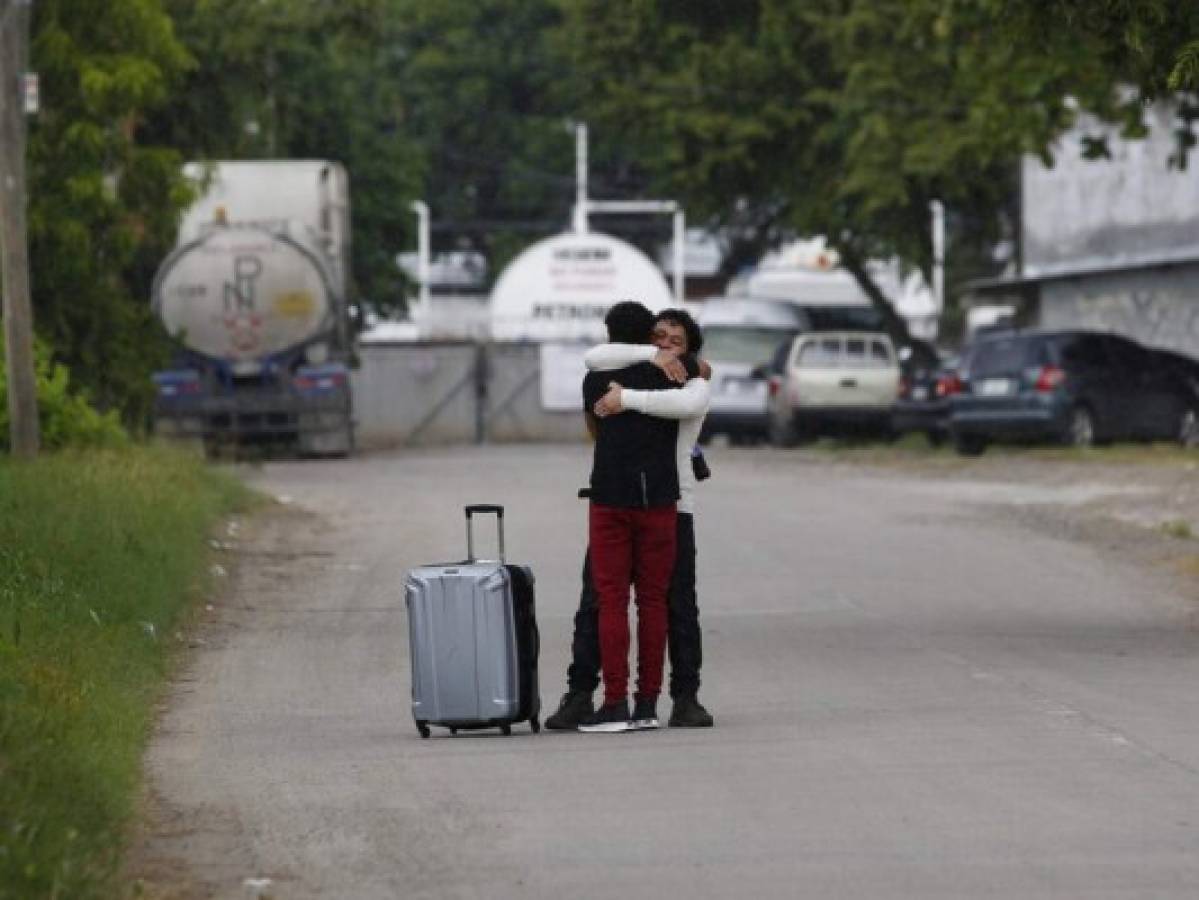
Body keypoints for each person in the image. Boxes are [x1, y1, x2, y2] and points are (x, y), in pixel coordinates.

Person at [549, 307, 715, 731]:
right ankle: (583, 693)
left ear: (690, 349)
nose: (665, 345)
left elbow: (688, 397)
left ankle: (684, 697)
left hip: (674, 505)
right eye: (658, 336)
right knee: (597, 602)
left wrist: (625, 398)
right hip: (629, 499)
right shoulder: (638, 366)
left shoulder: (683, 380)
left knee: (677, 604)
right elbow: (596, 356)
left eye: (676, 340)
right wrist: (654, 356)